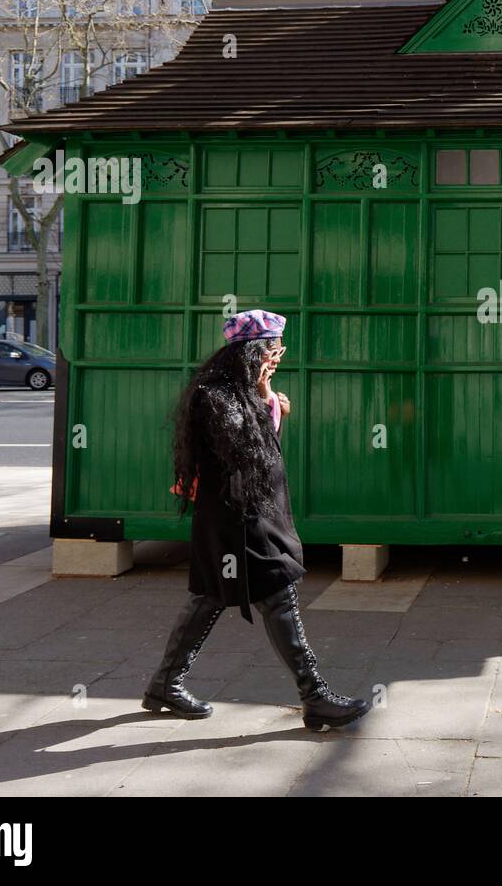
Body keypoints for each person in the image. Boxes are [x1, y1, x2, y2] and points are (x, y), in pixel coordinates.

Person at [142, 308, 370, 732]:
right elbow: (245, 452)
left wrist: (267, 401)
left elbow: (265, 453)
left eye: (279, 350)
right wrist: (268, 403)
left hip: (248, 514)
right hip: (238, 519)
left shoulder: (241, 393)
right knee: (278, 593)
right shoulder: (217, 397)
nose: (277, 358)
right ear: (250, 352)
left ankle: (164, 684)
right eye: (272, 350)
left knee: (210, 597)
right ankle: (315, 697)